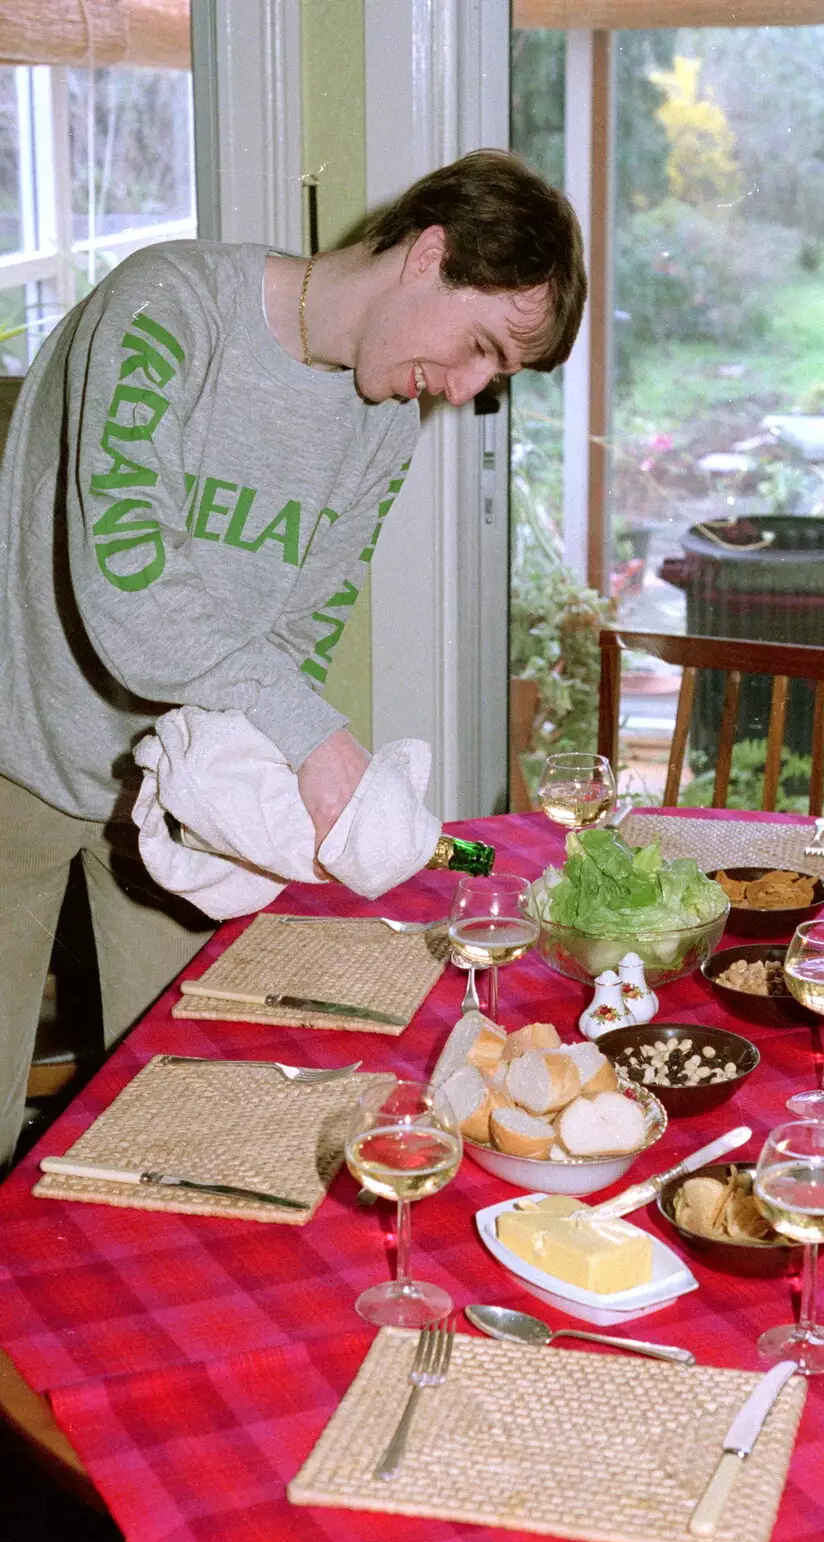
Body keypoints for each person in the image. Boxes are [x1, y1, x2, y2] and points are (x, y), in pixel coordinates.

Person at [0, 148, 586, 1169]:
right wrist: (317, 746)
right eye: (478, 346)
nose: (461, 389)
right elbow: (130, 592)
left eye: (495, 376)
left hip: (179, 788)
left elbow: (303, 625)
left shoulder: (382, 423)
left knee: (202, 1124)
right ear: (427, 253)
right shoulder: (167, 309)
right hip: (15, 754)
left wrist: (266, 790)